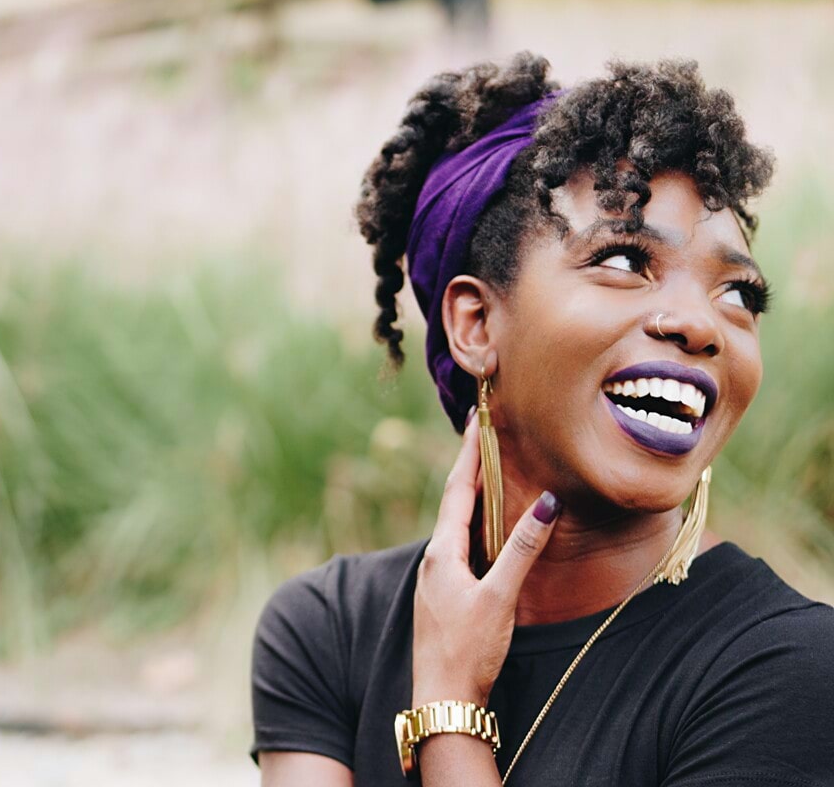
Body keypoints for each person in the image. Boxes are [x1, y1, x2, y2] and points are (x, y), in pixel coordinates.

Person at [249, 52, 834, 787]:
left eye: (739, 293)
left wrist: (450, 707)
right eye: (623, 261)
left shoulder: (786, 669)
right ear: (476, 325)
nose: (700, 323)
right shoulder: (329, 631)